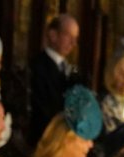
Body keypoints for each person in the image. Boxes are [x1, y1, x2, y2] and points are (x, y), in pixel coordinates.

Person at [28, 13, 84, 144]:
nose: (73, 43)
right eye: (68, 36)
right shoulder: (38, 67)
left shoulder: (72, 70)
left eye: (75, 38)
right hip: (47, 138)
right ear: (53, 35)